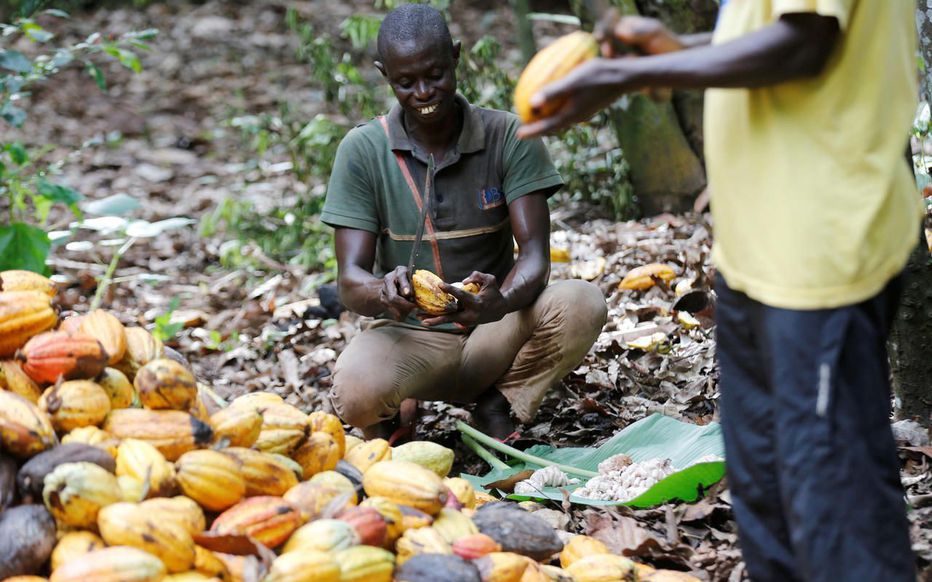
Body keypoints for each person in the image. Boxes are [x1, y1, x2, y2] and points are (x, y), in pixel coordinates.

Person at [518, 2, 920, 581]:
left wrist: (627, 74)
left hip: (821, 260)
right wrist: (674, 50)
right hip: (754, 256)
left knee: (834, 504)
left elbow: (805, 44)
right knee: (764, 501)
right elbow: (771, 38)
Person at [320, 4, 607, 442]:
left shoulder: (508, 136)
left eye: (435, 75)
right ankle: (393, 416)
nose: (423, 92)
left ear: (455, 56)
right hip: (410, 337)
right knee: (355, 392)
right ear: (384, 74)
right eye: (405, 82)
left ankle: (501, 401)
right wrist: (382, 292)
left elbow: (534, 257)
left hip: (495, 328)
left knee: (582, 302)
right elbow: (349, 280)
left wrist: (501, 300)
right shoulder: (363, 150)